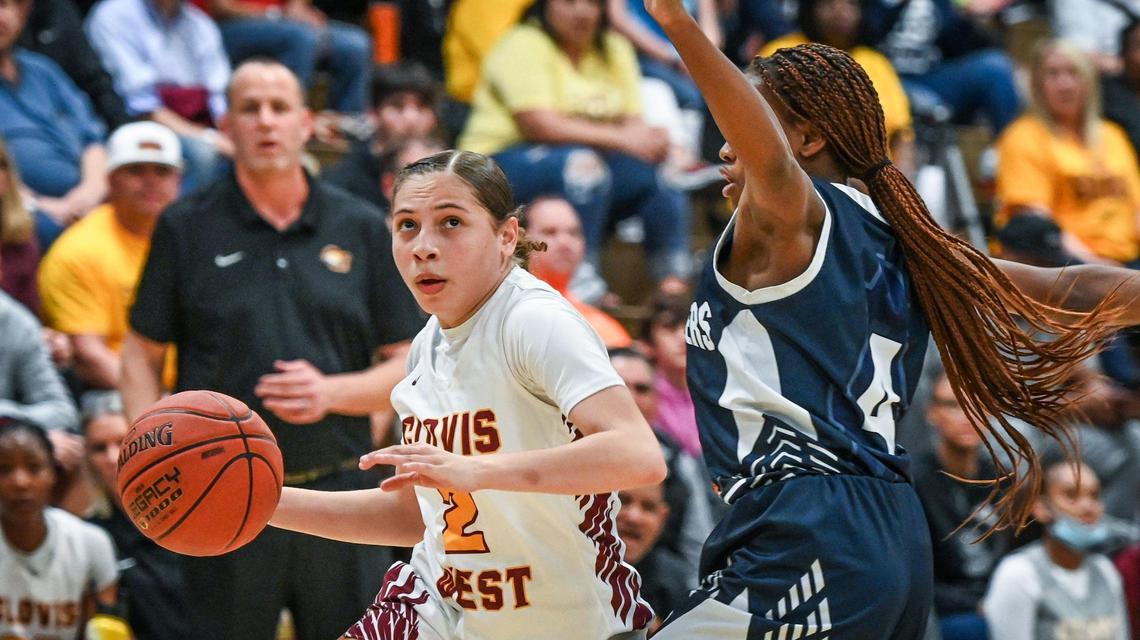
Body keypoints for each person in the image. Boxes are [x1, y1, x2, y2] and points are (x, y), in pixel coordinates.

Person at [645, 0, 1140, 636]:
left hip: (812, 524)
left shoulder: (791, 220)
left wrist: (678, 23)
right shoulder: (909, 242)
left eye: (744, 124)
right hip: (885, 530)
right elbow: (1069, 286)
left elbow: (771, 161)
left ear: (807, 140)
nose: (724, 146)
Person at [269, 149, 666, 640]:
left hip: (572, 623)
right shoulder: (425, 349)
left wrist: (477, 472)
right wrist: (262, 504)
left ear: (507, 236)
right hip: (444, 608)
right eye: (407, 226)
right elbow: (416, 514)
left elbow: (638, 455)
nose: (423, 247)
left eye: (451, 222)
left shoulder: (533, 321)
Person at [119, 59, 424, 640]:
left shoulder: (361, 225)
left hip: (343, 495)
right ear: (226, 126)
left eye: (279, 107)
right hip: (219, 494)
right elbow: (140, 353)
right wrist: (149, 447)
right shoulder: (186, 225)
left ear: (306, 124)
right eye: (249, 108)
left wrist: (331, 392)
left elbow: (409, 361)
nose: (265, 121)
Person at [458, 0, 693, 291]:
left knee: (663, 174)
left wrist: (655, 141)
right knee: (582, 166)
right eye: (569, 1)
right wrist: (623, 138)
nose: (581, 11)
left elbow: (633, 122)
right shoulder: (522, 43)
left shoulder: (613, 46)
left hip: (588, 161)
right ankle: (582, 281)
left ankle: (672, 288)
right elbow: (539, 124)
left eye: (592, 2)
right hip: (499, 164)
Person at [38, 121, 182, 392]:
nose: (150, 180)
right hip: (113, 390)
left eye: (162, 171)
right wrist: (165, 405)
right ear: (110, 179)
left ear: (178, 181)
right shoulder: (79, 250)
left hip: (192, 388)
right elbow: (89, 357)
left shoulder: (194, 239)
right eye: (136, 170)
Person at [996, 40, 1140, 267]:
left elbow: (1137, 210)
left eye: (1074, 73)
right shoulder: (1023, 136)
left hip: (1126, 262)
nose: (1065, 84)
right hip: (1061, 265)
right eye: (1052, 74)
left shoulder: (1113, 135)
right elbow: (1035, 222)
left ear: (1089, 82)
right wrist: (1098, 266)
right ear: (1038, 85)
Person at [85, 0, 234, 191]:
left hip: (202, 122)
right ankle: (180, 211)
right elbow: (143, 107)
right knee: (203, 153)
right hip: (141, 124)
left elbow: (220, 94)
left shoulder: (199, 23)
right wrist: (211, 138)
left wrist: (232, 135)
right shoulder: (114, 16)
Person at [81, 390, 192, 640]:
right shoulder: (89, 534)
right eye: (99, 448)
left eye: (122, 443)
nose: (112, 458)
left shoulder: (192, 516)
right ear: (87, 460)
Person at [983, 455, 1131, 640]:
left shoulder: (1106, 570)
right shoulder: (1018, 574)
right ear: (1041, 508)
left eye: (1094, 495)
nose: (1088, 507)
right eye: (1071, 495)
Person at [760, 0, 915, 174]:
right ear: (810, 9)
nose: (840, 12)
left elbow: (902, 136)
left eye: (851, 4)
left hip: (871, 181)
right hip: (792, 175)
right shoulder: (781, 53)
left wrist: (900, 185)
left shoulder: (876, 63)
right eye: (829, 3)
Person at [912, 370, 1010, 640]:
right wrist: (976, 605)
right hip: (945, 611)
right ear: (932, 413)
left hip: (1000, 598)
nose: (968, 415)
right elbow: (915, 576)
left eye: (978, 404)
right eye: (953, 405)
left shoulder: (1002, 479)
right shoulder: (915, 481)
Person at [0, 419, 119, 639]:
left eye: (34, 467)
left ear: (53, 474)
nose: (20, 482)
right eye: (4, 469)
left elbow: (105, 630)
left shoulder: (91, 543)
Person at [0, 0, 108, 228]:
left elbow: (92, 139)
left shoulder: (43, 71)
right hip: (22, 212)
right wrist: (40, 206)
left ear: (22, 11)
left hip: (87, 202)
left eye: (4, 5)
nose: (1, 18)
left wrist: (91, 191)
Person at [205, 0, 372, 113]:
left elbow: (295, 8)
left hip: (285, 24)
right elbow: (222, 7)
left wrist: (300, 11)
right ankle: (288, 114)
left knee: (354, 45)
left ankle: (348, 130)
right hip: (226, 29)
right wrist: (276, 16)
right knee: (301, 38)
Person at [525, 195, 633, 349]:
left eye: (573, 233)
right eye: (550, 232)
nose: (565, 242)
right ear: (520, 240)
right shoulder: (506, 310)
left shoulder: (603, 327)